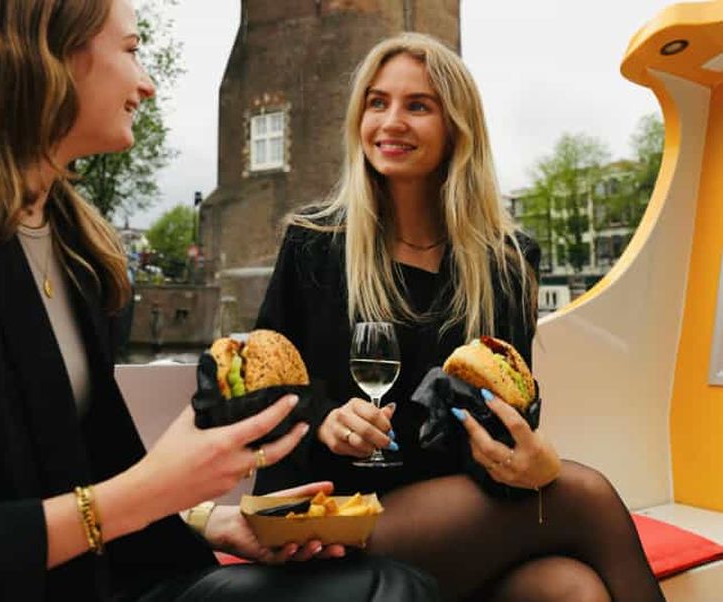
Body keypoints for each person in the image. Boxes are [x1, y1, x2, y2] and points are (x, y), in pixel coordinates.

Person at [0, 2, 440, 601]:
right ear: (47, 56)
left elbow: (81, 471)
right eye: (132, 48)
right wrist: (154, 490)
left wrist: (213, 519)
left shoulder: (74, 249)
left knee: (392, 584)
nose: (146, 81)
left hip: (106, 575)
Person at [255, 32, 666, 602]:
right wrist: (326, 419)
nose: (390, 121)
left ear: (457, 128)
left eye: (417, 106)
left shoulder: (506, 259)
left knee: (573, 590)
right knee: (584, 495)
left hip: (454, 516)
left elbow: (506, 407)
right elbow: (263, 386)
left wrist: (533, 457)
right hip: (329, 513)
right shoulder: (314, 243)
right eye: (377, 102)